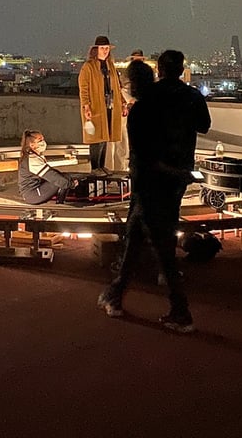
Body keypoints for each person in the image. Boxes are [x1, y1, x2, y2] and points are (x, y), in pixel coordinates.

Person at [98, 51, 211, 334]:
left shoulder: (145, 106)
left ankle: (180, 311)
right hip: (177, 178)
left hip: (149, 182)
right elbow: (204, 125)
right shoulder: (191, 96)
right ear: (181, 69)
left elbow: (143, 153)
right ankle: (115, 294)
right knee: (139, 234)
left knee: (158, 244)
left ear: (159, 69)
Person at [78, 35, 127, 175]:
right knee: (96, 139)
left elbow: (117, 86)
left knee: (105, 137)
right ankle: (95, 167)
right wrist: (86, 105)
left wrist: (122, 103)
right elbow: (83, 88)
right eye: (102, 48)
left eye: (107, 48)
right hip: (96, 107)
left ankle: (101, 166)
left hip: (109, 105)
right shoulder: (88, 67)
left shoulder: (110, 65)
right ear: (96, 50)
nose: (105, 51)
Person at [108, 49, 146, 171]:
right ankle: (121, 169)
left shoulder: (146, 76)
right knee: (123, 142)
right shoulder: (125, 76)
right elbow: (119, 91)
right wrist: (126, 103)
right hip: (126, 112)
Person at [18, 130, 75, 204]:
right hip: (32, 195)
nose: (43, 142)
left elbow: (52, 172)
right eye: (40, 140)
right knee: (60, 181)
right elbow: (52, 176)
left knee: (64, 179)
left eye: (43, 139)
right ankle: (60, 204)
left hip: (33, 192)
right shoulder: (32, 159)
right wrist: (71, 184)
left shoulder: (34, 156)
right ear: (32, 145)